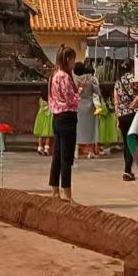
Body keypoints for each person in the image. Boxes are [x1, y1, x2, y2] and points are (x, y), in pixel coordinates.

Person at [47, 46, 81, 201]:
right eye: (73, 59)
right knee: (66, 157)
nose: (74, 63)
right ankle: (67, 194)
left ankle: (55, 190)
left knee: (57, 156)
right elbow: (70, 99)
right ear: (68, 60)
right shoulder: (65, 77)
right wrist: (79, 91)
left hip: (57, 116)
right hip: (67, 117)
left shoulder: (53, 75)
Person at [113, 63, 138, 181]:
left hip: (122, 115)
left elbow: (116, 101)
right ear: (131, 68)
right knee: (132, 142)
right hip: (133, 114)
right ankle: (127, 171)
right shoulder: (135, 79)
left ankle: (127, 170)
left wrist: (117, 116)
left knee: (127, 142)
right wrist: (135, 101)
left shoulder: (118, 82)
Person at [75, 62, 100, 158]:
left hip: (77, 106)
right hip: (89, 106)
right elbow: (97, 92)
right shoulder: (91, 79)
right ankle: (90, 151)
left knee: (77, 128)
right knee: (91, 129)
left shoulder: (74, 79)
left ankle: (76, 151)